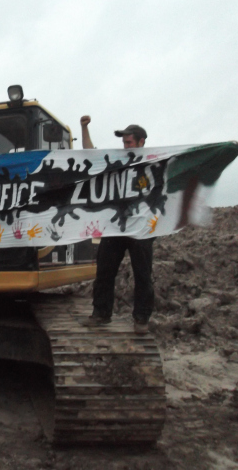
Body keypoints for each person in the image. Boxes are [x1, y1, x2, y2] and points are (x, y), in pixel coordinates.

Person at [78, 116, 154, 334]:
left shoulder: (154, 162)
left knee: (142, 274)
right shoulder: (116, 161)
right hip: (115, 226)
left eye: (129, 143)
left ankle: (141, 319)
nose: (125, 146)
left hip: (141, 227)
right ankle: (101, 313)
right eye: (124, 143)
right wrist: (84, 128)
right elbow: (90, 153)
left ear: (141, 143)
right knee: (104, 270)